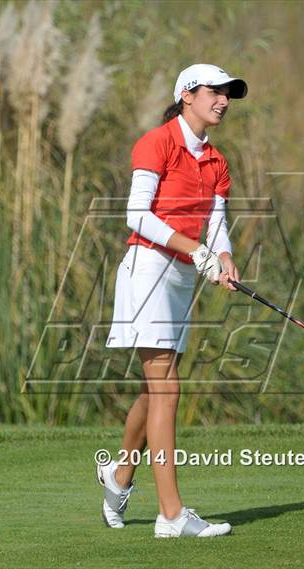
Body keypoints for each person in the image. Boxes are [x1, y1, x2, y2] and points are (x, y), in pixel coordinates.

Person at [98, 64, 248, 537]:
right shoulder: (158, 141)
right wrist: (195, 250)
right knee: (166, 387)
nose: (223, 101)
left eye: (228, 95)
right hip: (147, 270)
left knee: (154, 387)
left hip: (182, 277)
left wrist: (222, 256)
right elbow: (136, 215)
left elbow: (217, 222)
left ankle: (119, 475)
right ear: (187, 94)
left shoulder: (217, 161)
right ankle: (171, 515)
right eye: (215, 92)